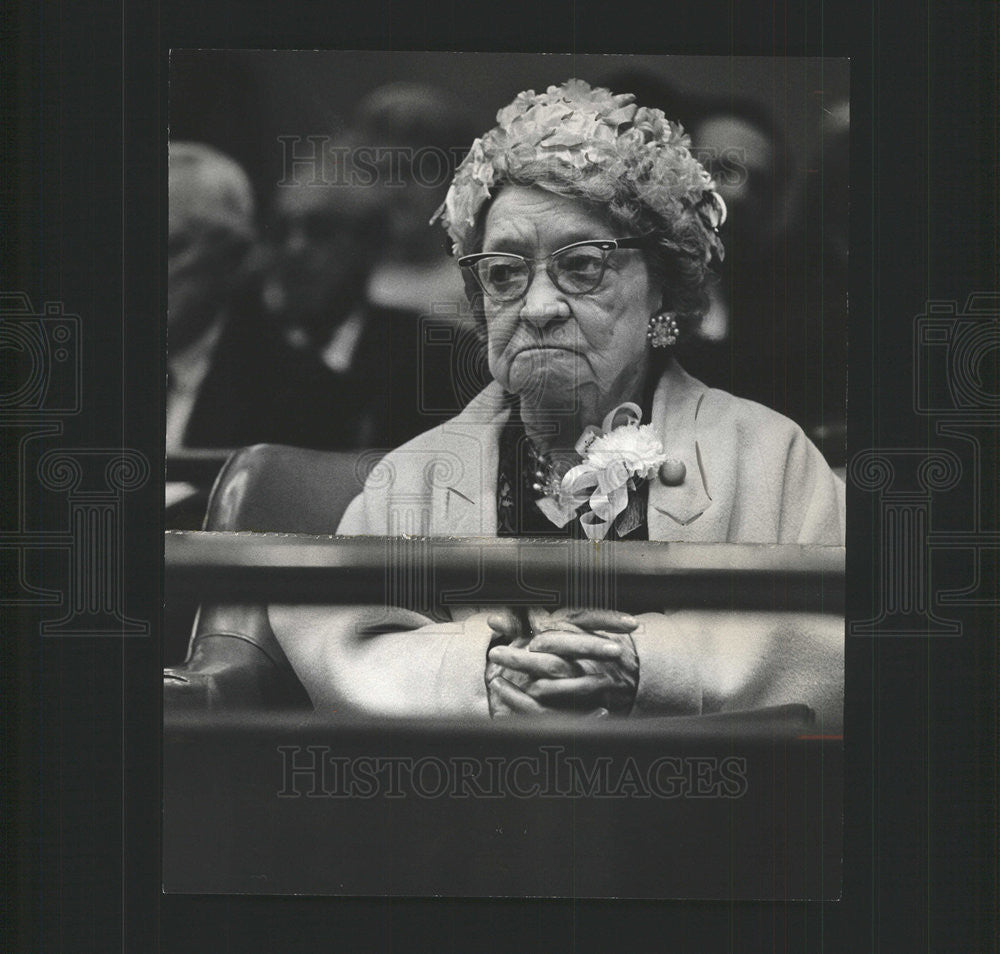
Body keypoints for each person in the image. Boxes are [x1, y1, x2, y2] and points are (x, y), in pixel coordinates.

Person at [269, 80, 845, 727]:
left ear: (662, 284)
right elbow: (336, 636)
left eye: (582, 266)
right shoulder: (415, 475)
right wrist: (474, 674)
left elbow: (838, 643)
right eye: (505, 272)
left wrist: (652, 667)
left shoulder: (772, 457)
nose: (538, 306)